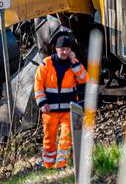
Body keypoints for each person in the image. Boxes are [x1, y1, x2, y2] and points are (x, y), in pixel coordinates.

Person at [33, 33, 88, 168]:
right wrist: (42, 102)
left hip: (68, 110)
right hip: (49, 110)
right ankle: (49, 164)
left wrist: (75, 62)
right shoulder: (46, 63)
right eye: (62, 49)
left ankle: (61, 165)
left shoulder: (74, 63)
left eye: (67, 49)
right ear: (56, 49)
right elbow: (38, 84)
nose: (64, 52)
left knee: (66, 137)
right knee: (49, 138)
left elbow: (84, 79)